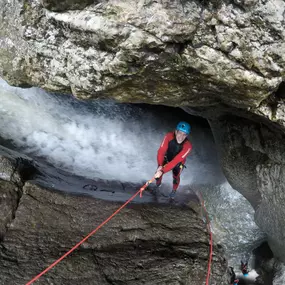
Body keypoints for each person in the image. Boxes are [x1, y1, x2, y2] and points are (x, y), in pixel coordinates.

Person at [153, 121, 192, 198]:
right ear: (176, 131)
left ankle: (174, 191)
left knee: (176, 177)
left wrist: (162, 171)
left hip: (178, 163)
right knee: (158, 171)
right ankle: (157, 185)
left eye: (184, 135)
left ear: (187, 135)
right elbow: (161, 151)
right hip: (167, 158)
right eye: (180, 133)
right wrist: (160, 166)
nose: (181, 137)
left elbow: (175, 161)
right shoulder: (168, 136)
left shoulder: (188, 146)